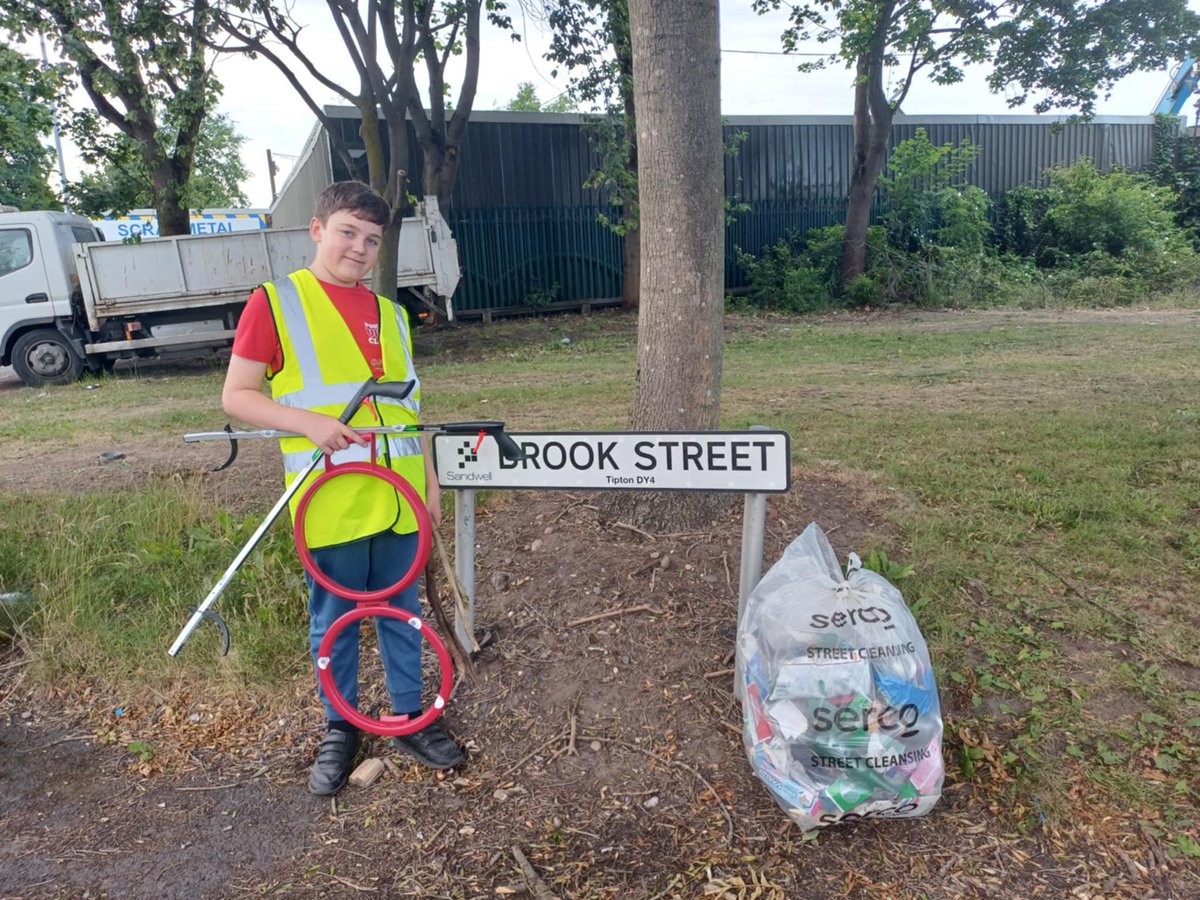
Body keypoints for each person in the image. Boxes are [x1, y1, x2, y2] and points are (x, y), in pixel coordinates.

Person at [222, 180, 464, 795]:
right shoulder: (275, 303)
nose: (359, 248)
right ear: (318, 229)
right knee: (334, 616)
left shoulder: (392, 315)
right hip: (329, 497)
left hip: (400, 493)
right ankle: (342, 726)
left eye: (372, 239)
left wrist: (430, 483)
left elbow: (410, 411)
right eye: (348, 232)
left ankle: (409, 717)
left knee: (402, 611)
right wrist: (307, 422)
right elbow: (238, 396)